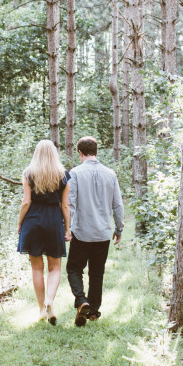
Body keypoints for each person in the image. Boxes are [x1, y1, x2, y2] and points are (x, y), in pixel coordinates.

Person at [66, 136, 124, 326]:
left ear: (80, 153)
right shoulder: (111, 174)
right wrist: (119, 228)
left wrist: (66, 228)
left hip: (82, 232)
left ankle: (82, 301)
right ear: (96, 152)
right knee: (97, 273)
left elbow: (70, 204)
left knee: (74, 268)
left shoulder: (74, 173)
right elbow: (118, 205)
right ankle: (93, 311)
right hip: (102, 234)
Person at [17, 139, 70, 325]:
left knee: (36, 267)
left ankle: (41, 308)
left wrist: (19, 223)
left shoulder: (29, 174)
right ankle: (50, 301)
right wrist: (67, 229)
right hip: (53, 221)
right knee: (55, 267)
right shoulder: (63, 175)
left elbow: (26, 202)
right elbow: (65, 205)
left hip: (33, 221)